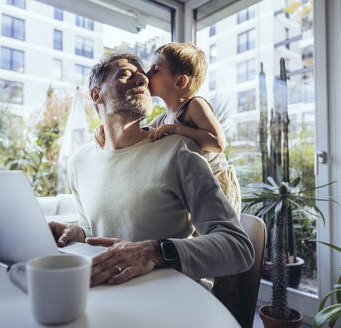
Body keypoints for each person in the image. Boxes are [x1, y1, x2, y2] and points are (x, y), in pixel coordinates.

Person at [49, 53, 254, 288]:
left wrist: (155, 251)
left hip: (171, 301)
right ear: (96, 95)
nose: (143, 80)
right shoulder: (79, 163)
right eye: (126, 74)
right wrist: (76, 234)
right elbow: (93, 231)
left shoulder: (178, 151)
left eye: (144, 76)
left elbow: (238, 248)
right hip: (107, 297)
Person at [95, 42, 242, 217]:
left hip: (218, 184)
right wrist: (106, 126)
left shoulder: (195, 105)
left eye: (155, 70)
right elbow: (141, 132)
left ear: (180, 81)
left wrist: (177, 129)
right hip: (193, 188)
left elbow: (217, 143)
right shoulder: (164, 118)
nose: (147, 76)